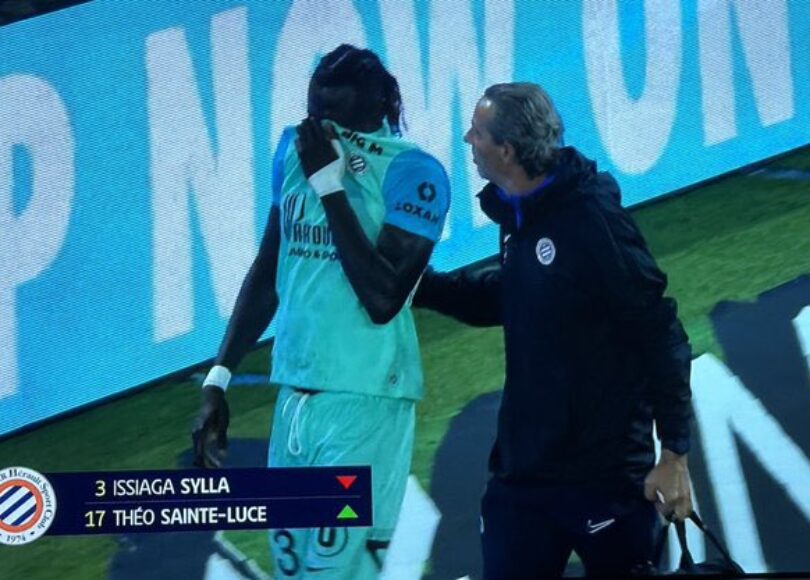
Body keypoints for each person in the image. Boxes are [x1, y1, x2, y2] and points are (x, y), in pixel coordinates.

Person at [413, 82, 693, 578]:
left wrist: (674, 453)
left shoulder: (591, 219)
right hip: (523, 475)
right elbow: (514, 294)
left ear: (506, 150)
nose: (467, 140)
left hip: (604, 476)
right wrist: (421, 285)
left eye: (477, 132)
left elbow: (659, 331)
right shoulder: (518, 212)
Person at [191, 44, 450, 579]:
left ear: (375, 104)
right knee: (291, 569)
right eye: (314, 111)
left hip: (364, 403)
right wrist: (220, 377)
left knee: (335, 573)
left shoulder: (414, 173)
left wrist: (329, 185)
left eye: (334, 114)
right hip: (294, 399)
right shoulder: (295, 148)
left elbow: (383, 298)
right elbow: (270, 267)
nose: (320, 126)